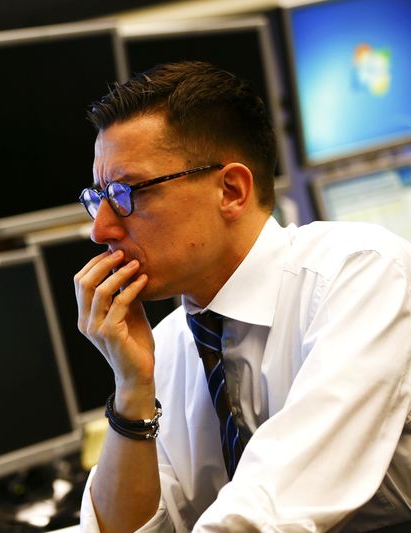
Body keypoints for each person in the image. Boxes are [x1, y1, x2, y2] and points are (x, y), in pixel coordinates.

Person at [73, 60, 411, 532]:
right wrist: (132, 390)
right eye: (99, 197)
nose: (100, 229)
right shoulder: (169, 345)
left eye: (127, 192)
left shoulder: (361, 274)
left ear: (231, 190)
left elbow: (271, 511)